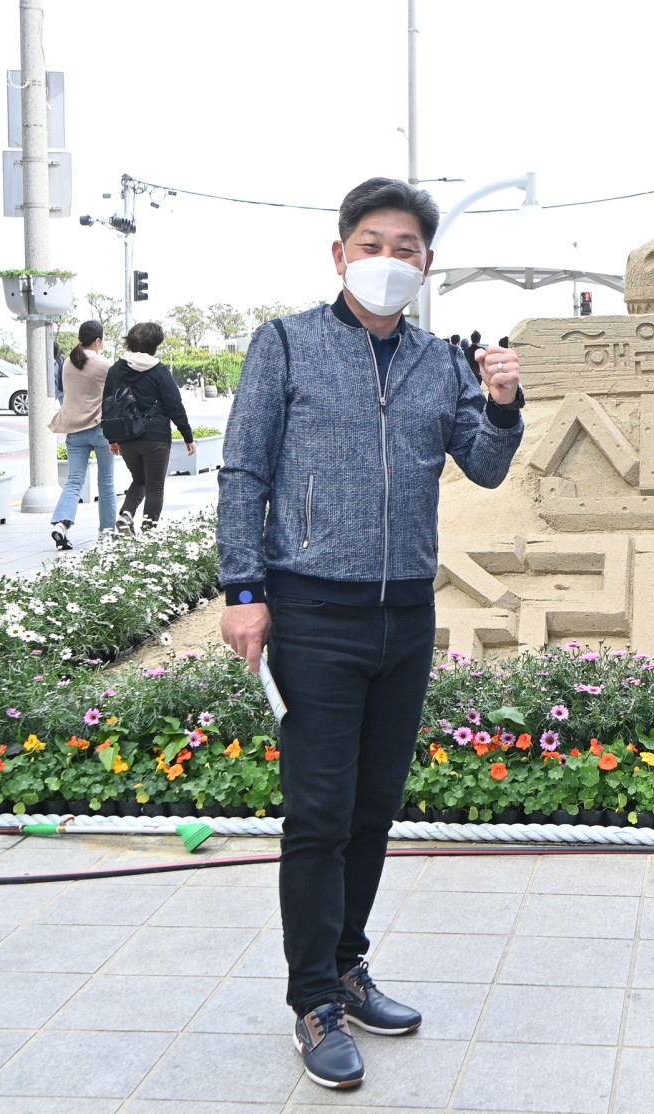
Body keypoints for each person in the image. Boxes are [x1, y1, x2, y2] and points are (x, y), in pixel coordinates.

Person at [216, 176, 525, 1091]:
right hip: (312, 609)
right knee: (317, 816)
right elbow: (243, 470)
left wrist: (503, 404)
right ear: (340, 253)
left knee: (373, 809)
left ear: (427, 264)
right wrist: (243, 588)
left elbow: (485, 466)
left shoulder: (440, 360)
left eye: (406, 249)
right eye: (372, 245)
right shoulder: (285, 344)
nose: (388, 261)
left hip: (404, 614)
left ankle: (348, 966)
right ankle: (312, 998)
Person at [103, 322, 194, 534]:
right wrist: (187, 436)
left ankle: (126, 515)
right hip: (156, 437)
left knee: (140, 479)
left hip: (127, 436)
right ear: (155, 345)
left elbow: (107, 404)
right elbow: (174, 405)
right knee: (155, 486)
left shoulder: (116, 370)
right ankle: (149, 534)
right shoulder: (160, 370)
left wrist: (112, 438)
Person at [47, 321, 117, 548]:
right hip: (100, 429)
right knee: (106, 482)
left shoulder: (69, 363)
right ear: (98, 341)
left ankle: (61, 524)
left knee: (74, 480)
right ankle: (106, 533)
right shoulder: (104, 365)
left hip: (74, 430)